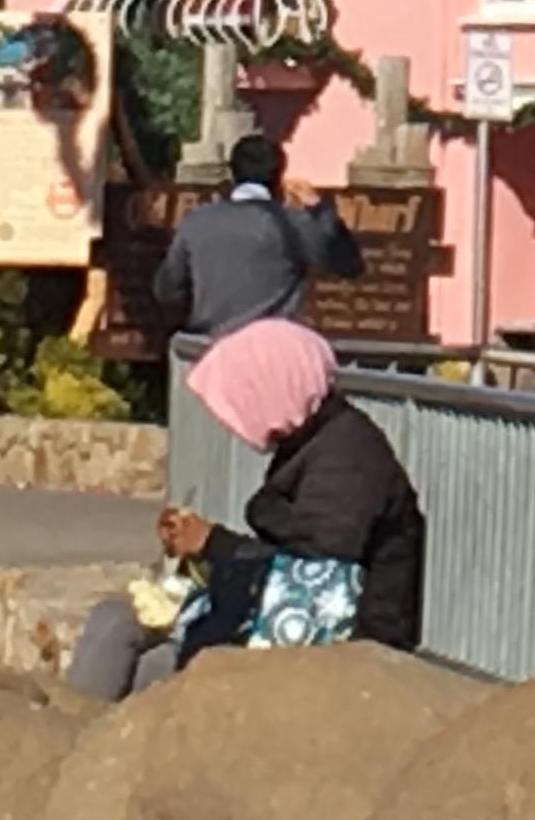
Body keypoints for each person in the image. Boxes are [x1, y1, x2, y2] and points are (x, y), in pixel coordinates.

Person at [65, 319, 427, 697]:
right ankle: (73, 733)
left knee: (152, 669)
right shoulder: (317, 442)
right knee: (115, 620)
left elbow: (315, 568)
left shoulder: (348, 459)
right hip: (281, 617)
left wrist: (213, 544)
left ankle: (78, 734)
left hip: (342, 646)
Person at [154, 135, 361, 340]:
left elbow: (168, 289)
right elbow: (348, 264)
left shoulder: (198, 221)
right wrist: (319, 208)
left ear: (233, 172)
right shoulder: (295, 223)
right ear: (279, 176)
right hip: (274, 347)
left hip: (212, 344)